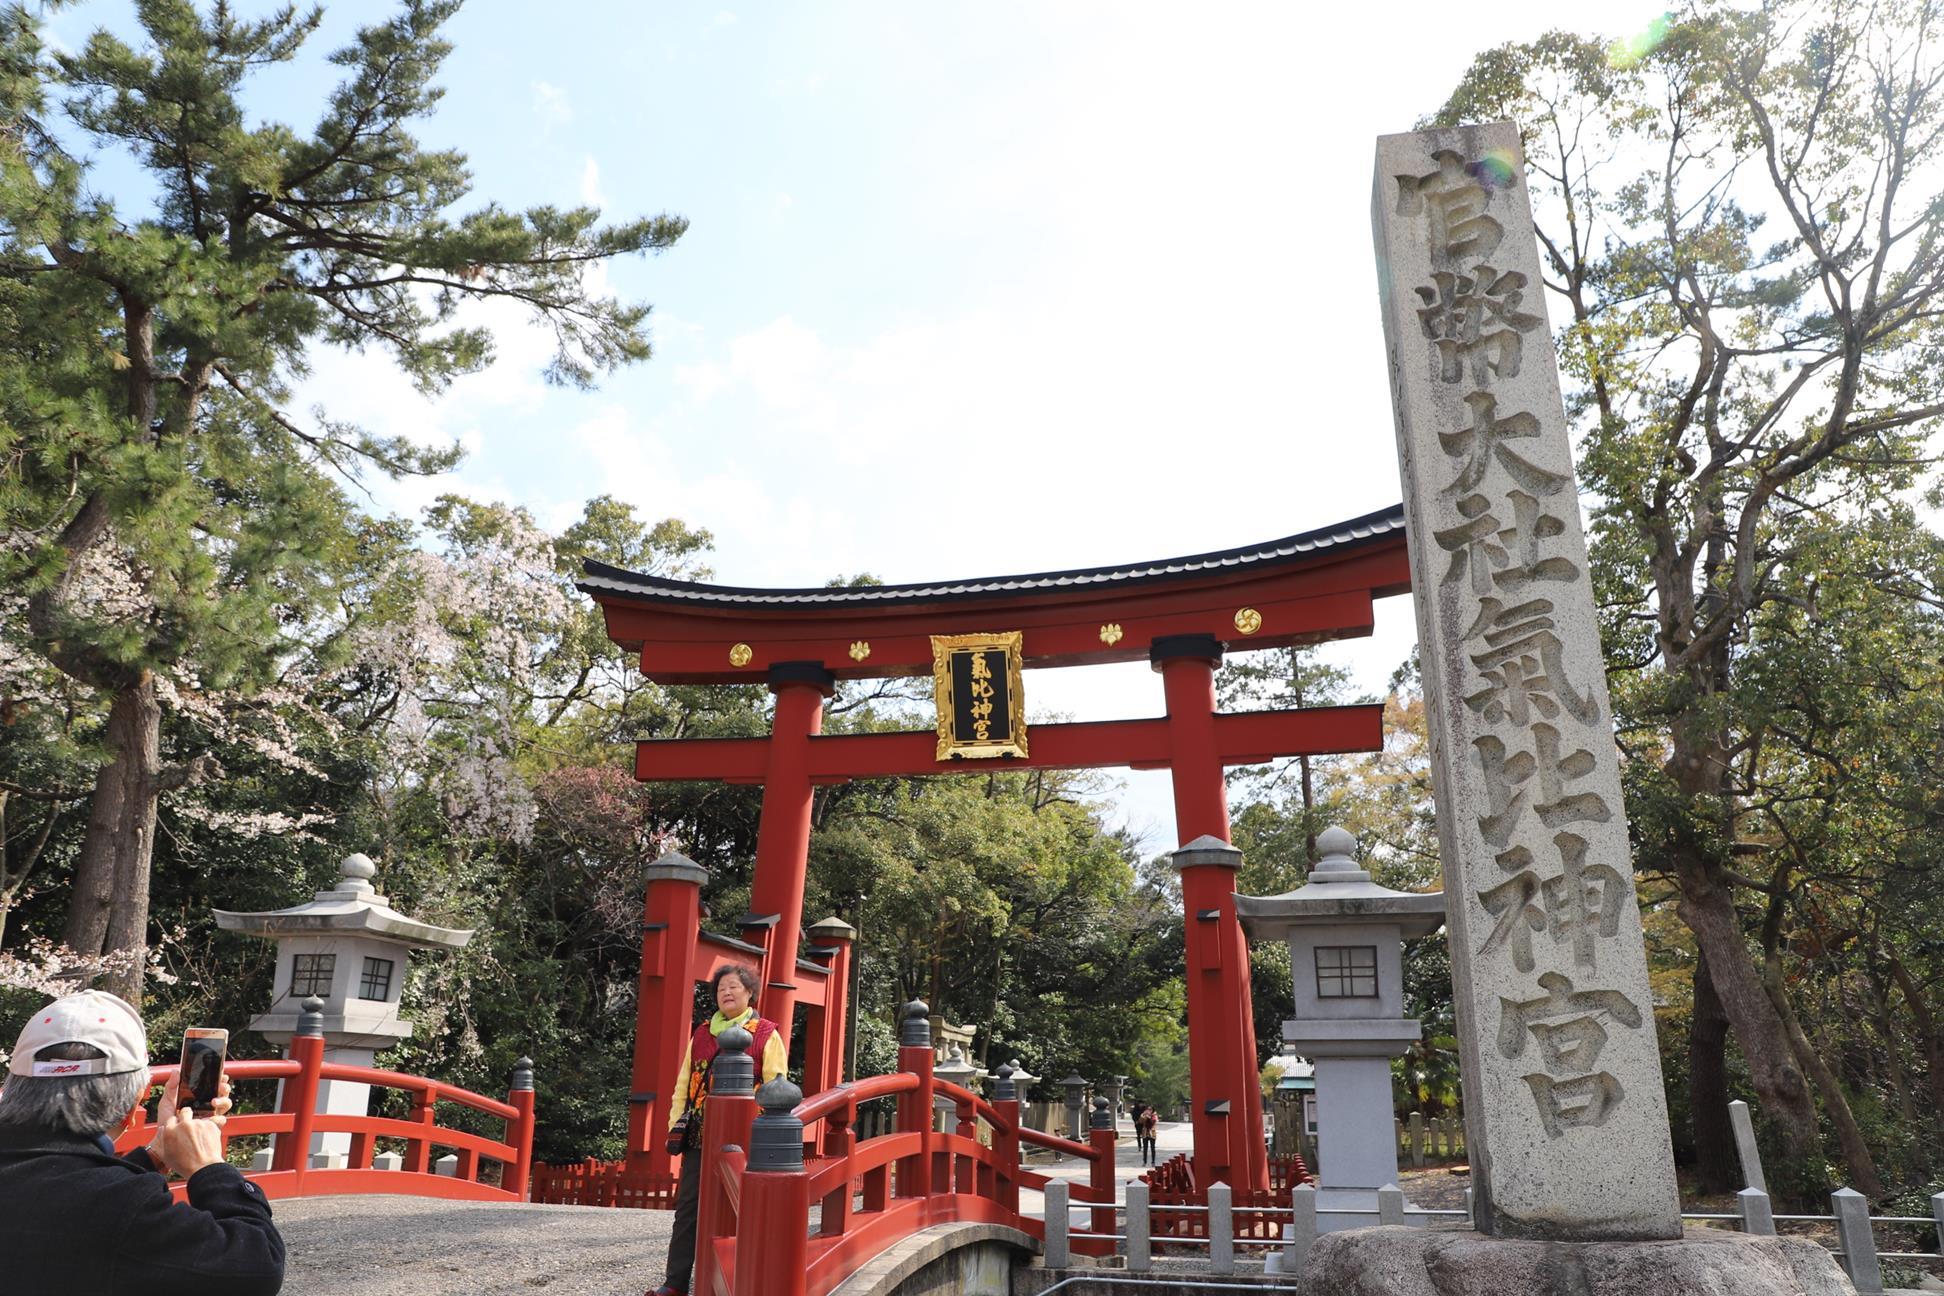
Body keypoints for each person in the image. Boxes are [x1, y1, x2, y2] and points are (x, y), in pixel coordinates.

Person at [0, 989, 285, 1294]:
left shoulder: (109, 1201)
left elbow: (55, 1191)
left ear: (14, 1085)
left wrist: (155, 1154)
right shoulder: (126, 1208)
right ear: (134, 1103)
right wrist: (210, 1168)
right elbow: (258, 1266)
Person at [652, 964, 787, 1296]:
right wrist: (675, 1124)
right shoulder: (701, 1033)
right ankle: (675, 1283)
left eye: (734, 987)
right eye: (721, 989)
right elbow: (683, 1083)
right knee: (687, 1211)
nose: (726, 993)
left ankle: (741, 1281)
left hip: (746, 1141)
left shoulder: (767, 1033)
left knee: (743, 1211)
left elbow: (777, 1085)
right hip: (700, 1135)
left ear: (750, 993)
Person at [1134, 1101, 1158, 1165]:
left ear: (1152, 1110)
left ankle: (1153, 1161)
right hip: (1145, 1132)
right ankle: (1144, 1161)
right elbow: (1140, 1121)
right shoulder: (1144, 1114)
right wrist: (1142, 1116)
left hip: (1152, 1132)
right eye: (1148, 1109)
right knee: (1145, 1147)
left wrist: (1148, 1117)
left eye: (1150, 1109)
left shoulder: (1154, 1115)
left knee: (1152, 1147)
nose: (1149, 1110)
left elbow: (1153, 1121)